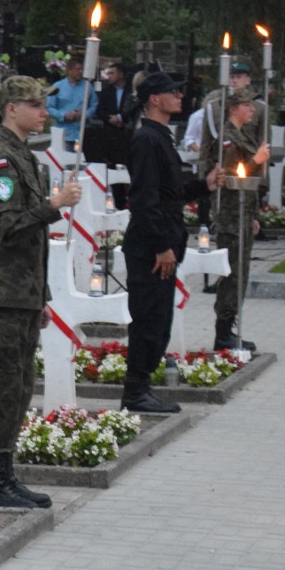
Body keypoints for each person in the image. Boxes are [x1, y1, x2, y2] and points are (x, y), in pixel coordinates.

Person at [0, 75, 82, 508]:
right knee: (1, 383)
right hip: (0, 291)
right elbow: (8, 227)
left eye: (43, 103)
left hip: (21, 292)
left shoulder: (24, 158)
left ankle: (5, 474)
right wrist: (53, 205)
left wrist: (42, 296)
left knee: (18, 384)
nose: (43, 111)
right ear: (10, 109)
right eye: (34, 104)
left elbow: (31, 244)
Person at [121, 72, 223, 413]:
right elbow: (145, 200)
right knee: (149, 320)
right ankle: (135, 392)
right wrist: (162, 246)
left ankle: (142, 388)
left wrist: (204, 185)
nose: (180, 96)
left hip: (162, 243)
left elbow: (170, 195)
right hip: (151, 249)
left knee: (159, 320)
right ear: (154, 99)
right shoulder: (147, 140)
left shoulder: (160, 137)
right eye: (172, 92)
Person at [205, 87, 270, 350]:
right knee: (232, 272)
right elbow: (233, 176)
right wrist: (257, 159)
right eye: (246, 105)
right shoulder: (227, 139)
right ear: (233, 108)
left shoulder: (243, 134)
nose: (252, 109)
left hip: (243, 212)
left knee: (241, 271)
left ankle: (229, 326)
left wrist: (253, 214)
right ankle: (223, 331)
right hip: (231, 213)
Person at [95, 62, 135, 208]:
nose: (109, 76)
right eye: (109, 73)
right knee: (114, 168)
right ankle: (119, 202)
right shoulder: (106, 91)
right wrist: (110, 119)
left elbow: (133, 108)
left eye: (112, 73)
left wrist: (122, 118)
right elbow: (99, 110)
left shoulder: (131, 90)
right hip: (112, 135)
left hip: (128, 134)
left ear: (121, 74)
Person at [46, 56, 98, 151]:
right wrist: (63, 115)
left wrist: (85, 114)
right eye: (78, 69)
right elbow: (49, 107)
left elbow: (94, 104)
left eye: (82, 69)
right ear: (69, 71)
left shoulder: (87, 87)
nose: (81, 72)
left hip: (82, 133)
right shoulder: (57, 86)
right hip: (64, 133)